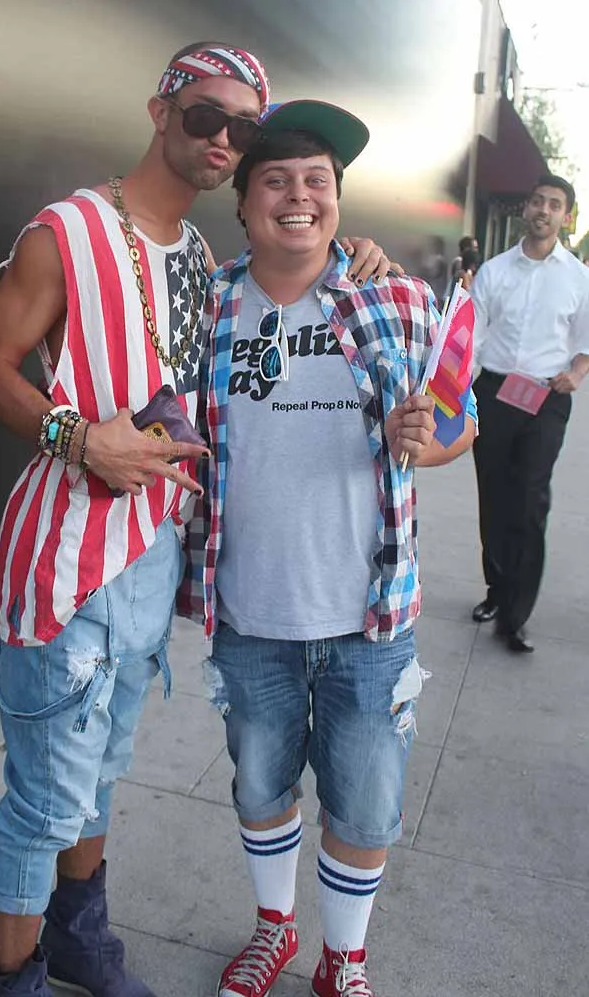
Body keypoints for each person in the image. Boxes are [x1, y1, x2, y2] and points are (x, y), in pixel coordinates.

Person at [0, 43, 396, 997]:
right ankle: (10, 979)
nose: (223, 139)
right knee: (45, 798)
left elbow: (293, 277)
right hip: (66, 560)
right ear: (160, 111)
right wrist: (83, 440)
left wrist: (353, 251)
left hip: (150, 556)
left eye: (242, 128)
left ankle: (80, 938)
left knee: (100, 769)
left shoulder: (201, 257)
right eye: (206, 115)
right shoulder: (67, 231)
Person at [178, 99, 477, 997]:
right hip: (249, 612)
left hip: (369, 618)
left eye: (316, 180)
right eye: (275, 181)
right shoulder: (208, 308)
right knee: (258, 790)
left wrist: (427, 441)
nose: (298, 197)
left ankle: (342, 957)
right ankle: (274, 929)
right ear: (242, 203)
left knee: (366, 804)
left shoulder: (396, 297)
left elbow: (457, 418)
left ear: (338, 199)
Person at [470, 174, 589, 653]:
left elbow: (586, 339)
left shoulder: (578, 277)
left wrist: (577, 373)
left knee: (530, 500)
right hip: (495, 393)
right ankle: (497, 590)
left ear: (566, 217)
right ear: (526, 208)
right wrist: (453, 394)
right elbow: (472, 338)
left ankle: (516, 616)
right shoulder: (494, 272)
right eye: (537, 200)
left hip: (545, 399)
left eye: (554, 204)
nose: (543, 209)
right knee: (494, 496)